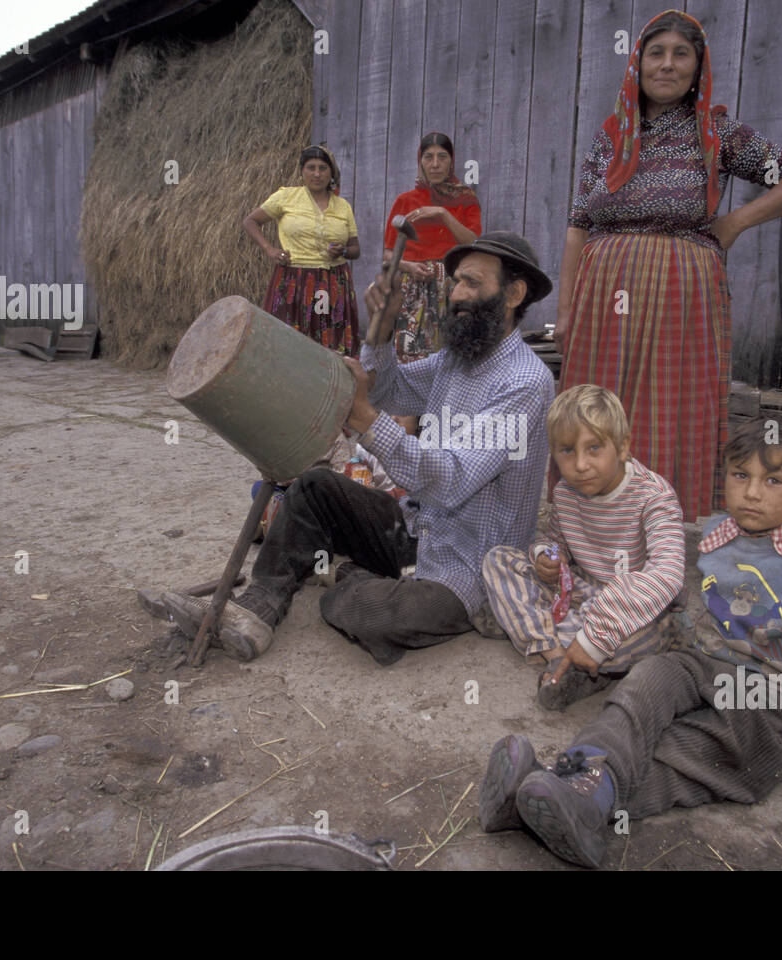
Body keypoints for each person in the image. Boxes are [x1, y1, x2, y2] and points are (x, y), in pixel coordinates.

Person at [478, 415, 782, 867]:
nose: (751, 493)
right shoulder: (715, 536)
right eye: (739, 475)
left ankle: (551, 799)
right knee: (647, 685)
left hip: (777, 702)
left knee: (693, 754)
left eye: (774, 481)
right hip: (707, 667)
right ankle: (579, 775)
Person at [160, 232, 556, 665]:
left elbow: (449, 479)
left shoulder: (525, 382)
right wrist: (381, 331)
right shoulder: (456, 358)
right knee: (314, 487)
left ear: (514, 294)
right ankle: (258, 608)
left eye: (473, 284)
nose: (457, 294)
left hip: (473, 567)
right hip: (417, 530)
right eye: (457, 281)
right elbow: (389, 391)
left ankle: (343, 572)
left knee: (371, 615)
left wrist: (367, 420)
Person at [554, 11, 782, 522]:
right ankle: (593, 518)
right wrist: (565, 311)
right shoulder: (612, 137)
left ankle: (655, 522)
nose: (667, 65)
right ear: (638, 64)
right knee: (598, 403)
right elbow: (577, 225)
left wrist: (735, 222)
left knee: (665, 407)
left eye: (681, 55)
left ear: (698, 67)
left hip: (680, 290)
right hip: (604, 293)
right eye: (656, 53)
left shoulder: (717, 134)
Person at [481, 384, 684, 711]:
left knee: (658, 631)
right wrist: (547, 556)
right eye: (567, 451)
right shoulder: (564, 494)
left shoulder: (654, 497)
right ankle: (558, 657)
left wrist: (595, 637)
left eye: (594, 448)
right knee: (498, 560)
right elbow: (554, 545)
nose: (580, 464)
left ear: (622, 448)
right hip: (582, 595)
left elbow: (668, 574)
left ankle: (556, 644)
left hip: (633, 609)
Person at [242, 145, 361, 355]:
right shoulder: (286, 197)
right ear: (302, 171)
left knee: (330, 345)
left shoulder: (342, 206)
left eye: (323, 168)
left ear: (331, 173)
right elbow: (250, 221)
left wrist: (342, 251)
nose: (317, 174)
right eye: (311, 168)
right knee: (289, 344)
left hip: (333, 282)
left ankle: (331, 386)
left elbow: (355, 250)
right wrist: (270, 249)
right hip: (294, 281)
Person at [382, 132, 482, 363]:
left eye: (442, 157)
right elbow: (388, 255)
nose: (435, 164)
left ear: (451, 161)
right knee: (410, 354)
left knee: (455, 353)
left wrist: (442, 213)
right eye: (428, 157)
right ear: (421, 162)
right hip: (414, 285)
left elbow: (472, 243)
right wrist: (409, 266)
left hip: (455, 284)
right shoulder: (405, 201)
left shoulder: (466, 199)